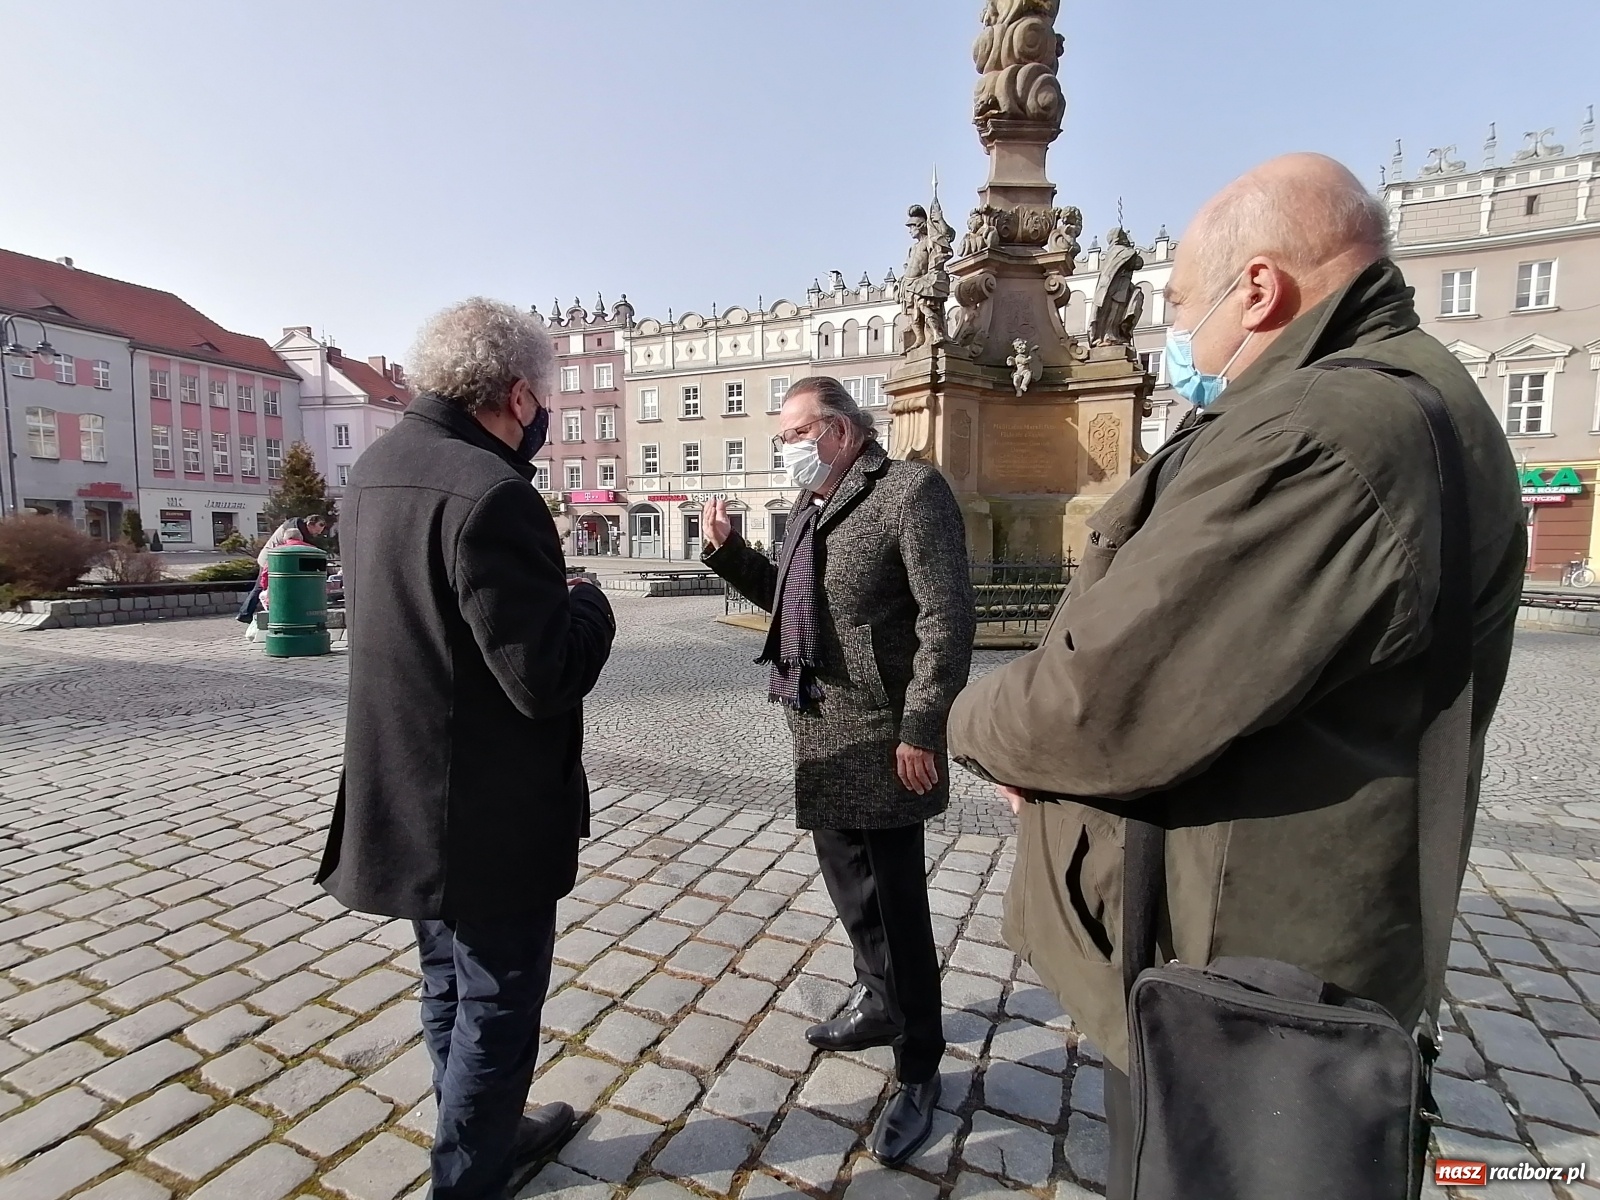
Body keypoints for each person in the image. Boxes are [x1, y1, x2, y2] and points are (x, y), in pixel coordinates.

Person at [947, 153, 1526, 1197]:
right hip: (1249, 953)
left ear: (1258, 289)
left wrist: (970, 718)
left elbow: (1102, 701)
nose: (1168, 334)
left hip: (1243, 976)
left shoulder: (1321, 433)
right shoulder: (1385, 398)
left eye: (1175, 304)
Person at [317, 298, 615, 1200]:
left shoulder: (376, 466)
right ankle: (471, 1175)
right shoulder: (492, 493)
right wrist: (589, 604)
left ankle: (477, 1126)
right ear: (518, 395)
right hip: (484, 807)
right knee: (496, 994)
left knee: (447, 977)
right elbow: (543, 676)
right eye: (543, 399)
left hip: (404, 784)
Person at [700, 376, 975, 1167]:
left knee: (898, 902)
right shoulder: (812, 503)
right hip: (819, 730)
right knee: (850, 887)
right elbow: (792, 603)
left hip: (887, 736)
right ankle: (877, 1001)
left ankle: (919, 1064)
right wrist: (729, 555)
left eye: (794, 434)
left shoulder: (910, 492)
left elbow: (947, 618)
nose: (785, 448)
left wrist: (924, 726)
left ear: (841, 431)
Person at [237, 514, 328, 626]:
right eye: (317, 531)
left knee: (260, 586)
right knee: (260, 586)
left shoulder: (301, 530)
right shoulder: (293, 526)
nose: (316, 534)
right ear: (310, 524)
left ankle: (245, 613)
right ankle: (245, 613)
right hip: (271, 558)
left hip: (275, 558)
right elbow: (291, 541)